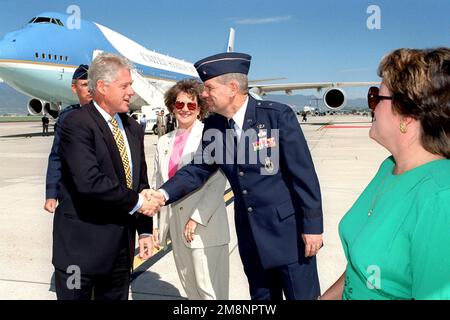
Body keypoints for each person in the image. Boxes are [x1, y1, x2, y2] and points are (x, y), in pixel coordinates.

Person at [148, 52, 324, 300]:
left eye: (208, 88)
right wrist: (162, 194)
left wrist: (313, 227)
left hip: (289, 236)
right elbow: (198, 169)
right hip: (251, 238)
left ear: (231, 88)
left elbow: (303, 175)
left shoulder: (275, 116)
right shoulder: (216, 126)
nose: (204, 94)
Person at [321, 48, 450, 300]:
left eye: (376, 97)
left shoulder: (440, 199)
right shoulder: (389, 168)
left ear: (408, 116)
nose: (372, 106)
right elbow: (360, 267)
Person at [52, 52, 162, 300]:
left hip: (120, 254)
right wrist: (140, 203)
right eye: (125, 85)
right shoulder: (76, 124)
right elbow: (89, 182)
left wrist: (144, 230)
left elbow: (140, 183)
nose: (131, 92)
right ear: (102, 87)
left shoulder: (133, 127)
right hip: (80, 254)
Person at [151, 79, 230, 300]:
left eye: (191, 105)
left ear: (200, 108)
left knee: (210, 291)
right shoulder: (164, 141)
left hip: (205, 225)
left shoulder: (210, 135)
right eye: (180, 104)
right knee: (190, 289)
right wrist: (158, 225)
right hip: (176, 226)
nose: (185, 109)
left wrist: (196, 217)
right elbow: (158, 182)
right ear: (172, 107)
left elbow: (217, 183)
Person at [44, 64, 92, 214]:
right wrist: (51, 193)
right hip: (74, 193)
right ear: (74, 88)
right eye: (84, 85)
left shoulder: (109, 115)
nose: (89, 89)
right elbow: (56, 156)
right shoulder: (67, 118)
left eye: (92, 84)